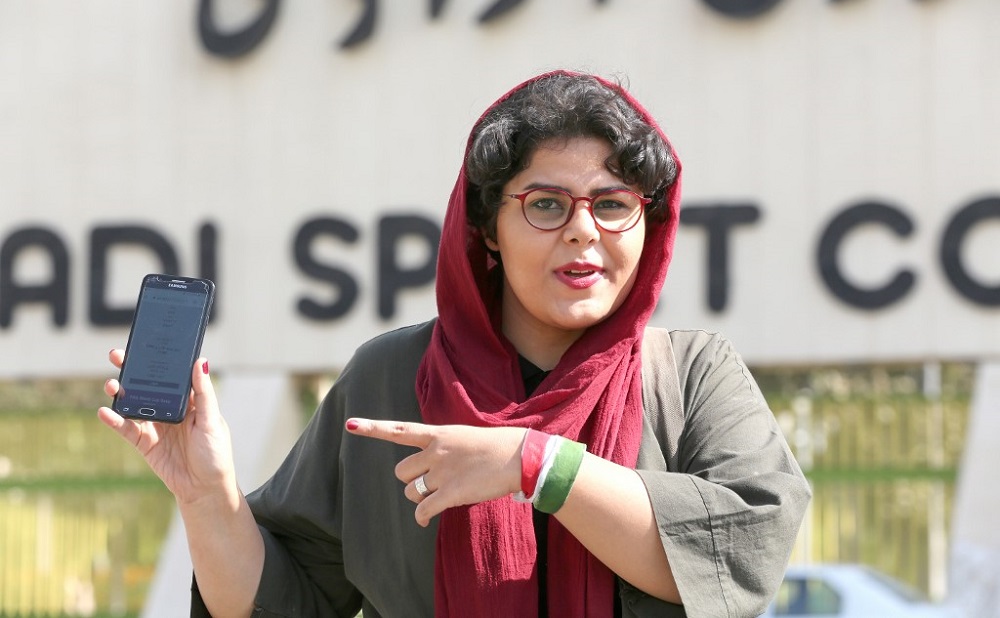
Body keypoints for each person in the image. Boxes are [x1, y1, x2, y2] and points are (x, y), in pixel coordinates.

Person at [99, 70, 811, 617]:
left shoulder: (690, 375)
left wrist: (536, 465)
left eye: (615, 204)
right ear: (486, 228)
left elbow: (744, 548)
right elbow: (280, 602)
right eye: (546, 203)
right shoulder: (390, 379)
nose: (584, 230)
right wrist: (206, 496)